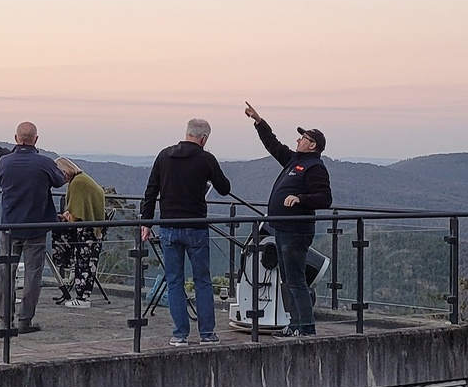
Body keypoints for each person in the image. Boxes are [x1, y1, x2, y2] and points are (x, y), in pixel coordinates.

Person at [140, 118, 232, 346]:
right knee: (202, 280)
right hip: (196, 227)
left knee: (174, 281)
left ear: (187, 133)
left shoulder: (164, 156)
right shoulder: (205, 159)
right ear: (204, 138)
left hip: (169, 227)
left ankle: (179, 333)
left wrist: (146, 222)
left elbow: (151, 190)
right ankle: (207, 334)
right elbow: (224, 188)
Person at [244, 102, 332, 338]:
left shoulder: (315, 168)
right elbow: (274, 145)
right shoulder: (295, 160)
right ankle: (294, 324)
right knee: (288, 281)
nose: (297, 141)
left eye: (302, 138)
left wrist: (299, 199)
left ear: (312, 145)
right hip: (282, 229)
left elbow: (325, 198)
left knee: (296, 281)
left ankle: (306, 328)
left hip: (296, 231)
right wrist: (259, 122)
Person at [0, 122, 65, 334]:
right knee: (32, 275)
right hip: (36, 226)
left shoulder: (3, 162)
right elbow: (60, 180)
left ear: (16, 138)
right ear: (36, 139)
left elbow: (1, 181)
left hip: (9, 226)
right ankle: (25, 319)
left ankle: (5, 321)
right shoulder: (44, 163)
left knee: (6, 273)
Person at [51, 157, 106, 308]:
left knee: (83, 262)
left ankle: (82, 298)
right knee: (87, 263)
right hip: (93, 228)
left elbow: (75, 215)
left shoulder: (77, 183)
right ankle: (79, 294)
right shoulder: (82, 179)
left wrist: (64, 217)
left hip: (86, 231)